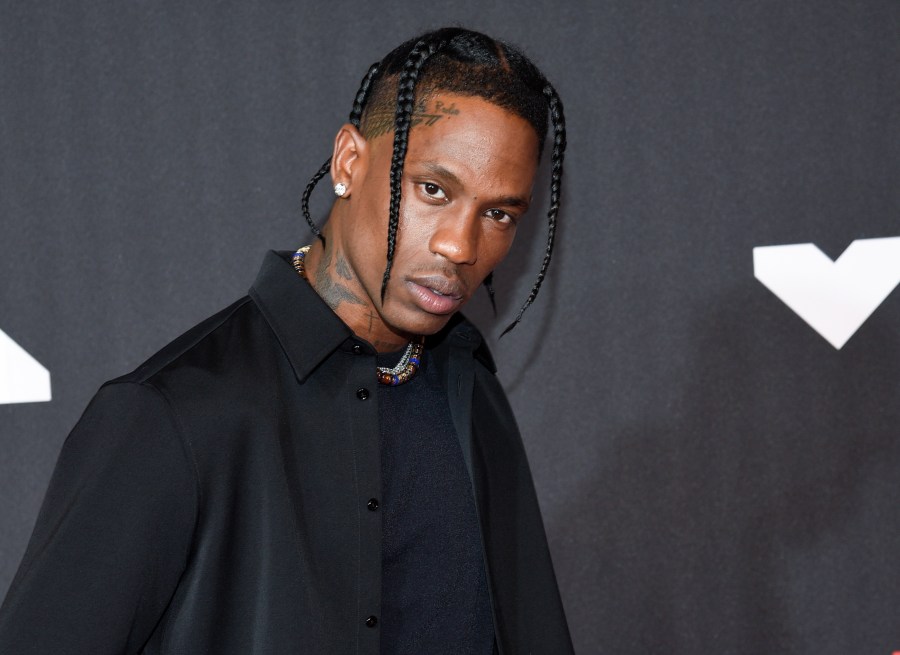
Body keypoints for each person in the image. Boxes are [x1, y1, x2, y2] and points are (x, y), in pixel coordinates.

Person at [0, 27, 572, 654]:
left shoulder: (472, 394)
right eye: (433, 190)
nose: (459, 246)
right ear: (349, 163)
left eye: (499, 214)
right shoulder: (174, 415)